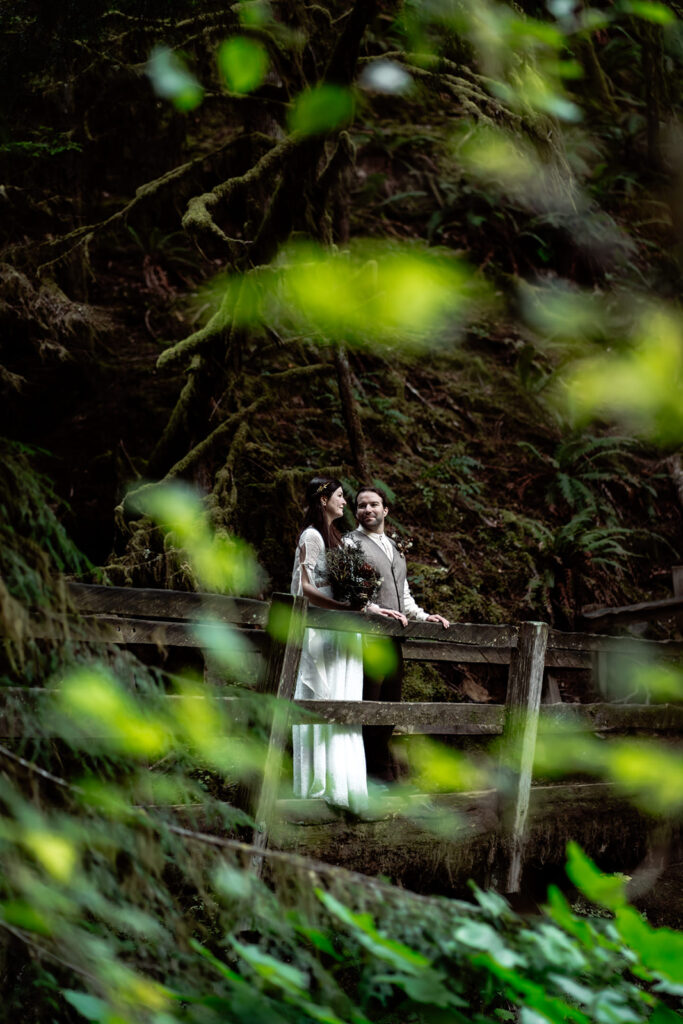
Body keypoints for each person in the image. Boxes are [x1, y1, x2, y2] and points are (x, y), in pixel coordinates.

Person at [349, 485, 450, 783]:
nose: (367, 510)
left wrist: (422, 615)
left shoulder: (395, 547)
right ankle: (366, 772)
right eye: (361, 505)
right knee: (370, 704)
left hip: (394, 638)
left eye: (373, 504)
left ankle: (381, 771)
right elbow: (351, 591)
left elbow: (402, 594)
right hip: (367, 638)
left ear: (385, 510)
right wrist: (369, 609)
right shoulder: (351, 543)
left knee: (390, 704)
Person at [290, 476, 368, 811]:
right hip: (324, 628)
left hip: (343, 630)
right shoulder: (312, 536)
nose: (345, 502)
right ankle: (321, 783)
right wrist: (340, 607)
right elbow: (304, 585)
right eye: (339, 496)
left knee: (345, 700)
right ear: (323, 500)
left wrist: (362, 600)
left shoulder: (341, 538)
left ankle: (347, 784)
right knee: (323, 696)